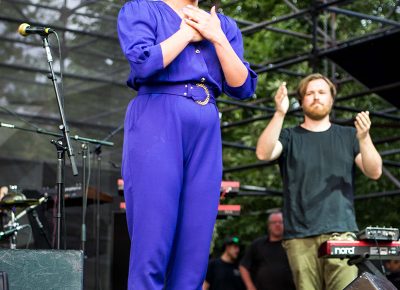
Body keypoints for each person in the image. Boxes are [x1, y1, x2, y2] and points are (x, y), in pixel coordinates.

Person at [117, 0, 257, 289]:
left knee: (195, 243)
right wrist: (186, 33)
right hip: (158, 112)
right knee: (152, 237)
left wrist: (215, 35)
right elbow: (143, 63)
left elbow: (243, 87)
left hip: (206, 121)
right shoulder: (141, 9)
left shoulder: (222, 24)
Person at [255, 73, 383, 290]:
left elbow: (374, 171)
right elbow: (263, 153)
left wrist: (364, 138)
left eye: (322, 92)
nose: (316, 97)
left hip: (341, 232)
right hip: (299, 236)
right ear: (302, 100)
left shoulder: (349, 135)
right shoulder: (289, 136)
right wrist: (279, 113)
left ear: (331, 99)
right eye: (310, 93)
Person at [239, 211, 295, 290]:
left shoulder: (292, 244)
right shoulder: (258, 244)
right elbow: (243, 267)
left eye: (280, 222)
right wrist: (250, 286)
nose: (277, 225)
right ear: (269, 225)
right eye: (274, 222)